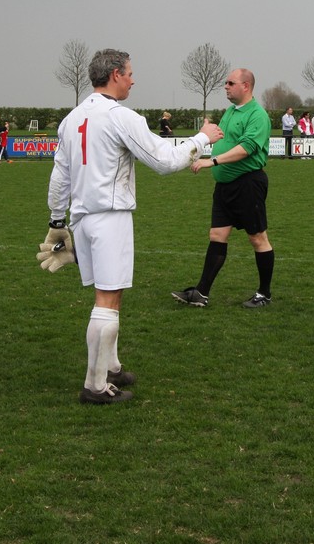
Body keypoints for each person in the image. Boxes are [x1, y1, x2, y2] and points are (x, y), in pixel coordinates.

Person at [43, 49, 221, 404]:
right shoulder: (121, 117)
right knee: (107, 300)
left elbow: (60, 174)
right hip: (110, 217)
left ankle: (111, 367)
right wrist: (202, 138)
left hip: (82, 219)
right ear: (114, 75)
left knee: (111, 294)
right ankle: (95, 387)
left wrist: (57, 220)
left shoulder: (71, 119)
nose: (132, 80)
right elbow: (164, 161)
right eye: (129, 73)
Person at [172, 68, 276, 309]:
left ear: (246, 86)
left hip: (248, 184)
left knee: (258, 238)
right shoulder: (230, 112)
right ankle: (201, 293)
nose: (226, 87)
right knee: (217, 236)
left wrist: (213, 161)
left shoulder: (258, 115)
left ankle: (264, 293)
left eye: (230, 83)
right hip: (225, 187)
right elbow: (222, 139)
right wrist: (205, 135)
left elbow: (246, 148)